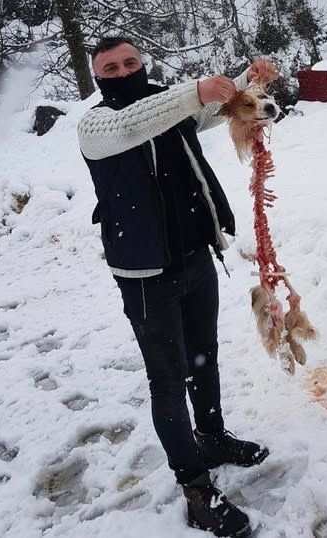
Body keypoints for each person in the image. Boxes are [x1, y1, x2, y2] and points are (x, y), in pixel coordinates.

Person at [77, 37, 279, 538]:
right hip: (144, 273)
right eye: (112, 68)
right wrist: (195, 92)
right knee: (166, 379)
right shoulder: (96, 124)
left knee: (203, 355)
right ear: (99, 76)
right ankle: (194, 485)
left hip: (193, 255)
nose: (124, 72)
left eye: (131, 63)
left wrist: (248, 82)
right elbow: (135, 122)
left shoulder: (170, 107)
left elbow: (211, 109)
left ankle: (211, 437)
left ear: (142, 64)